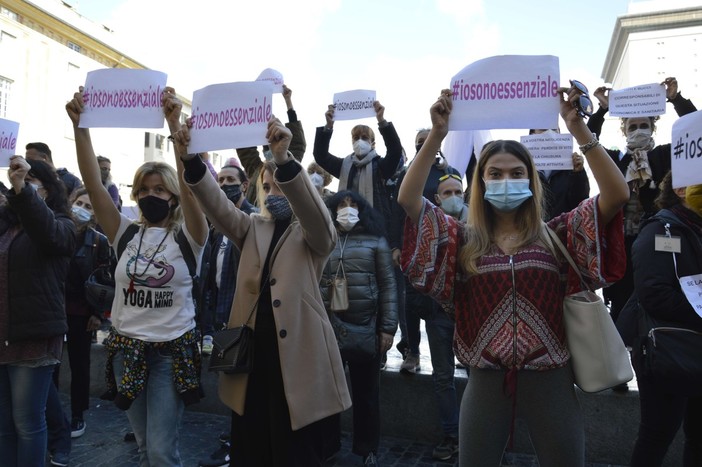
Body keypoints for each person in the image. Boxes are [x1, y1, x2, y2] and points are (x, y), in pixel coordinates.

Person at [398, 86, 629, 466]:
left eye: (517, 173)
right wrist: (437, 133)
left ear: (531, 180)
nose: (507, 179)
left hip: (551, 379)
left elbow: (617, 194)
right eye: (496, 173)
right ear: (482, 181)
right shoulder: (461, 240)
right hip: (486, 382)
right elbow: (409, 200)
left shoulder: (559, 235)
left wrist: (578, 129)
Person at [177, 114, 352, 466]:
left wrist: (284, 161)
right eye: (268, 186)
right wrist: (191, 160)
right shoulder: (254, 226)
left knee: (295, 452)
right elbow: (217, 206)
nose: (274, 191)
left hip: (297, 362)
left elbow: (320, 226)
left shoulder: (313, 230)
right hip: (252, 360)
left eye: (281, 185)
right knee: (253, 448)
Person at [65, 86, 208, 466]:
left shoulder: (189, 236)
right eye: (144, 189)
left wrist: (174, 123)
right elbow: (93, 184)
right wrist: (81, 127)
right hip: (126, 352)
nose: (151, 194)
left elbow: (195, 191)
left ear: (173, 197)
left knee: (162, 452)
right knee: (144, 449)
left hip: (168, 356)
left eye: (160, 189)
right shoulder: (125, 232)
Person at [587, 77, 697, 324]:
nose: (638, 131)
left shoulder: (665, 154)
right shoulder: (615, 159)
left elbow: (694, 128)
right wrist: (603, 108)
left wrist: (675, 98)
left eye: (643, 126)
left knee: (661, 291)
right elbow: (589, 139)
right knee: (623, 302)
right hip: (622, 242)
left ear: (653, 128)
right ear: (624, 130)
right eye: (632, 126)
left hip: (662, 237)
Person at [0, 157, 76, 467]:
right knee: (4, 426)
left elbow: (47, 231)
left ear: (47, 191)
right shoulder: (5, 226)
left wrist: (22, 192)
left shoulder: (63, 226)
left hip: (33, 338)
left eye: (30, 183)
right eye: (16, 182)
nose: (20, 187)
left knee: (27, 423)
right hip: (3, 336)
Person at [629, 172, 702, 466]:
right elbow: (654, 293)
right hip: (666, 350)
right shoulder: (661, 231)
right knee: (658, 433)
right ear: (681, 188)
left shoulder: (694, 227)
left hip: (695, 347)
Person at [320, 190, 397, 466]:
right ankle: (327, 446)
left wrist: (387, 328)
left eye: (353, 205)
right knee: (328, 394)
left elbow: (389, 285)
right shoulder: (323, 240)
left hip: (367, 328)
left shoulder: (376, 241)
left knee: (366, 395)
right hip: (329, 328)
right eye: (342, 204)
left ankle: (366, 449)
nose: (348, 209)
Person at [64, 188, 112, 437]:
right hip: (54, 310)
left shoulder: (98, 241)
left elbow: (103, 282)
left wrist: (97, 314)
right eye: (79, 202)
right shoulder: (56, 230)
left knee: (79, 364)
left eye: (89, 206)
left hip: (82, 314)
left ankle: (77, 414)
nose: (81, 208)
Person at [238, 85, 306, 205]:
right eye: (266, 187)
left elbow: (298, 143)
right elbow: (245, 149)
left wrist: (288, 101)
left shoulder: (291, 166)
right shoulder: (256, 171)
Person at [528, 129, 590, 220]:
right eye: (544, 129)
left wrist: (578, 174)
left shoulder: (572, 166)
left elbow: (580, 202)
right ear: (532, 135)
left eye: (554, 130)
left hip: (563, 230)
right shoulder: (524, 167)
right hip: (534, 230)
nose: (549, 133)